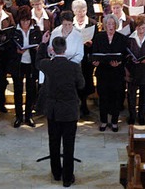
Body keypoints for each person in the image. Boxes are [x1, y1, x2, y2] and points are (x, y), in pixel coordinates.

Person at [36, 35, 84, 187]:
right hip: (69, 111)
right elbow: (81, 85)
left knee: (54, 142)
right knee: (69, 145)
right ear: (65, 49)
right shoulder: (74, 67)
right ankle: (67, 179)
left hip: (54, 111)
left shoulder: (47, 65)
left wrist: (43, 44)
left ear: (53, 49)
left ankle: (56, 173)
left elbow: (37, 62)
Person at [91, 14, 128, 132]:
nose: (111, 26)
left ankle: (114, 122)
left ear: (116, 25)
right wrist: (95, 62)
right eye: (108, 24)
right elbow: (94, 53)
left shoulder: (122, 38)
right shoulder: (98, 37)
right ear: (105, 25)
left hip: (117, 73)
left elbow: (125, 55)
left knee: (116, 98)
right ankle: (103, 121)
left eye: (113, 24)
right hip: (103, 72)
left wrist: (119, 63)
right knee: (103, 98)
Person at [10, 6, 42, 128]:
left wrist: (37, 48)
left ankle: (28, 116)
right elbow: (9, 49)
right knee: (18, 91)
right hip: (18, 64)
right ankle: (18, 116)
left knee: (31, 90)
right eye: (23, 21)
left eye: (27, 21)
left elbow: (41, 45)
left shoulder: (36, 30)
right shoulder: (14, 31)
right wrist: (16, 51)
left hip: (31, 64)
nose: (25, 23)